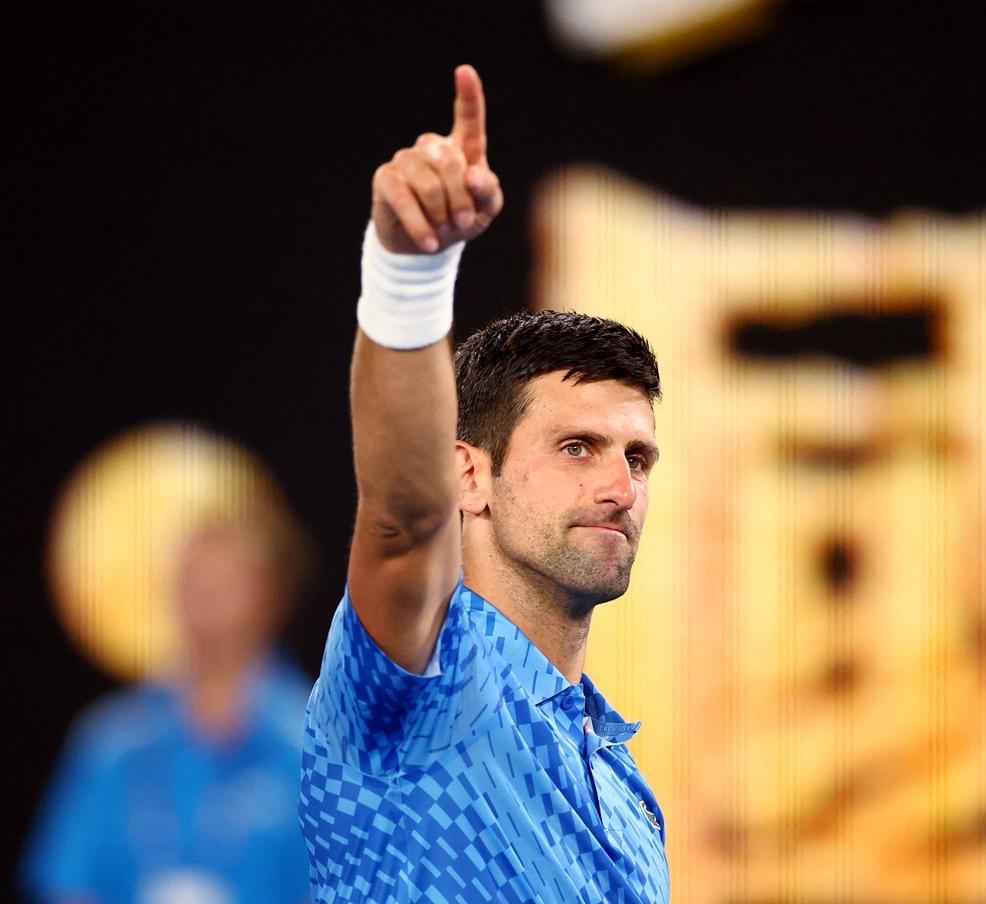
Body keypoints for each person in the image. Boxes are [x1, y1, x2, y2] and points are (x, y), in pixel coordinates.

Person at [298, 65, 669, 903]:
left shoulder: (627, 792)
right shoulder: (418, 682)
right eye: (578, 447)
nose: (620, 485)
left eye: (637, 457)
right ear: (470, 473)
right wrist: (409, 271)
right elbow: (401, 519)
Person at [23, 496, 315, 904]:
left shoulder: (316, 745)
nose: (203, 598)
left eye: (223, 581)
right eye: (191, 579)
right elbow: (68, 884)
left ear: (274, 594)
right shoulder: (111, 740)